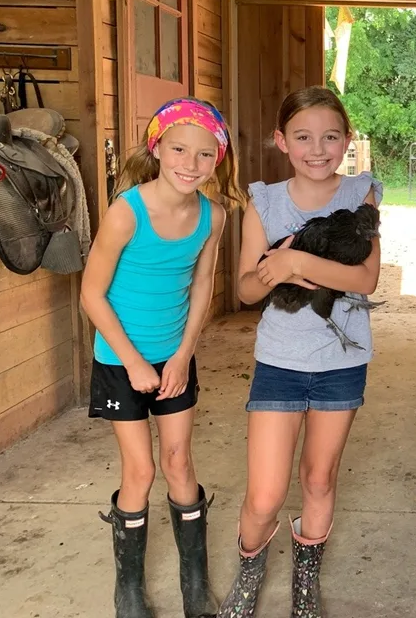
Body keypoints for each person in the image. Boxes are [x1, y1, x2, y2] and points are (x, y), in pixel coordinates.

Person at [219, 86, 382, 618]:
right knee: (265, 494)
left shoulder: (360, 194)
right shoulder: (263, 200)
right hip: (280, 361)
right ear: (280, 141)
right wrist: (275, 270)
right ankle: (248, 576)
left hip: (341, 363)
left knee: (318, 477)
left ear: (347, 140)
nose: (318, 148)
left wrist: (295, 265)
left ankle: (304, 585)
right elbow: (246, 289)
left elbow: (365, 278)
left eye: (331, 136)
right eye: (303, 136)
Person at [82, 97, 245, 618]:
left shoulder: (212, 216)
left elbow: (201, 286)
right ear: (157, 147)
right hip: (119, 359)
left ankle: (194, 585)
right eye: (178, 149)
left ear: (217, 160)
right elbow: (91, 294)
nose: (189, 164)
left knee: (180, 462)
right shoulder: (126, 211)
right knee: (141, 472)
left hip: (174, 358)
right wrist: (132, 361)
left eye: (203, 155)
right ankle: (128, 591)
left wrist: (183, 354)